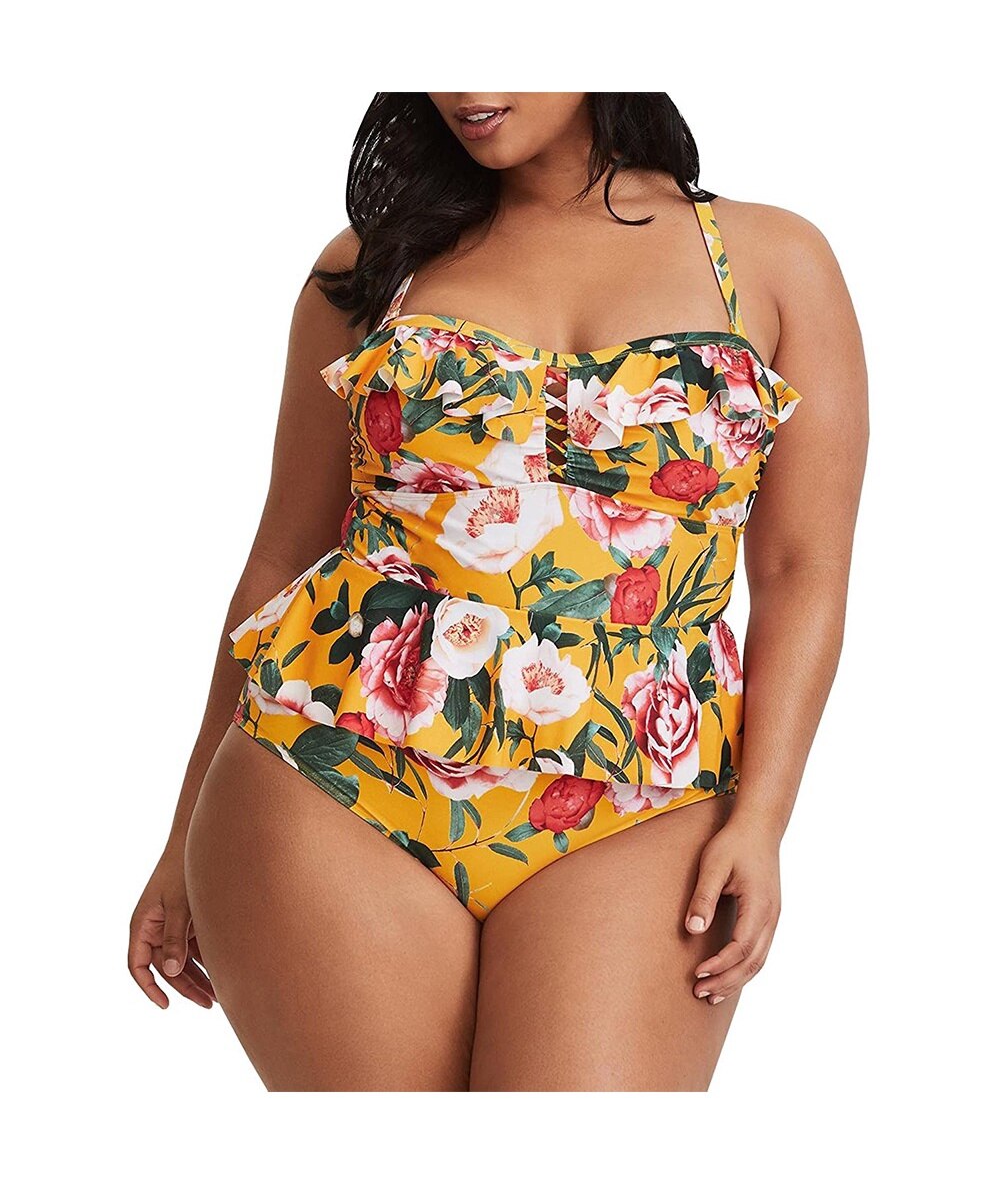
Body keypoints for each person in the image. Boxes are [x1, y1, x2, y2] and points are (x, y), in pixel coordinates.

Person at [129, 92, 868, 1091]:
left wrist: (763, 819)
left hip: (643, 799)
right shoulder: (372, 266)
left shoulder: (771, 261)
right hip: (331, 775)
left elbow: (801, 568)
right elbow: (282, 557)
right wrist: (179, 839)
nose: (467, 85)